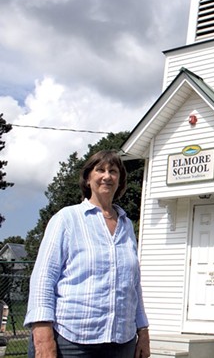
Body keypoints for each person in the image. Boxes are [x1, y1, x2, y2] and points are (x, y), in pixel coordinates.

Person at [25, 150, 150, 358]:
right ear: (88, 178)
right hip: (71, 342)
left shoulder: (126, 225)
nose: (107, 176)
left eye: (113, 171)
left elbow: (133, 285)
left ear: (120, 180)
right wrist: (42, 336)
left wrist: (143, 331)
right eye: (100, 170)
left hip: (121, 343)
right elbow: (43, 279)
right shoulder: (67, 219)